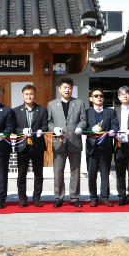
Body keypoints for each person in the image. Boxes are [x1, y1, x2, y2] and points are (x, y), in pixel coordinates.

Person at [47, 77, 87, 208]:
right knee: (58, 171)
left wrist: (80, 127)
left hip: (74, 141)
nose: (67, 90)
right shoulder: (52, 104)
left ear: (72, 89)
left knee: (75, 171)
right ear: (59, 89)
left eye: (69, 88)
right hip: (58, 142)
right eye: (64, 87)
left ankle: (74, 197)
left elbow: (83, 119)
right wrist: (54, 129)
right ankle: (59, 197)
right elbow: (49, 122)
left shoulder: (79, 103)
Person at [13, 84, 48, 208]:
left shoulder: (42, 110)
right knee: (22, 174)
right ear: (22, 96)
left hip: (37, 145)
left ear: (35, 95)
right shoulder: (16, 111)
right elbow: (13, 127)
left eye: (31, 94)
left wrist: (40, 130)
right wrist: (21, 130)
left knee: (38, 174)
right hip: (22, 146)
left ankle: (36, 198)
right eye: (26, 94)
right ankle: (22, 198)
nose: (29, 96)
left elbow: (45, 125)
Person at [84, 88, 118, 207]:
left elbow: (115, 125)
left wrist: (113, 131)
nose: (99, 97)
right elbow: (83, 128)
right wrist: (91, 130)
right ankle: (93, 197)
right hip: (92, 146)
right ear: (91, 98)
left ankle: (104, 197)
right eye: (96, 95)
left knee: (105, 173)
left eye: (101, 96)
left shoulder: (110, 111)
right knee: (92, 174)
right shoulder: (87, 112)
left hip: (106, 146)